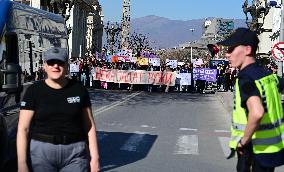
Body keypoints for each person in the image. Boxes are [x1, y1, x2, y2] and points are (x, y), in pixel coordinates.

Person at [17, 47, 100, 172]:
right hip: (42, 152)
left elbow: (89, 126)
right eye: (51, 62)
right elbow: (23, 129)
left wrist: (95, 158)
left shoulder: (79, 90)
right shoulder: (34, 91)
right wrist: (22, 163)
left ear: (66, 66)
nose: (55, 66)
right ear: (45, 66)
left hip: (75, 152)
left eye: (60, 63)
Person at [217, 28, 284, 172]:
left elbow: (257, 112)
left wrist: (243, 141)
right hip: (270, 150)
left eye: (232, 49)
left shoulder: (246, 78)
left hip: (253, 150)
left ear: (247, 49)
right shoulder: (268, 76)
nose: (227, 54)